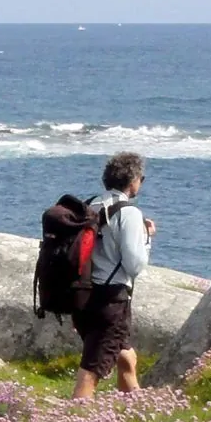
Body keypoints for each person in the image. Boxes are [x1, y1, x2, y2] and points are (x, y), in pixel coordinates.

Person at [73, 153, 156, 399]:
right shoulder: (129, 213)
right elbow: (135, 265)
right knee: (91, 371)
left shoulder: (91, 206)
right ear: (133, 182)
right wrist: (147, 237)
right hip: (110, 300)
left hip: (83, 296)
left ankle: (136, 412)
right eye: (141, 178)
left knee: (126, 357)